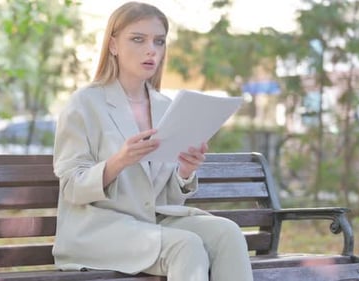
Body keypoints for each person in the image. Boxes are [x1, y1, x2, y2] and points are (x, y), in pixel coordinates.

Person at [51, 2, 254, 280]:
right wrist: (119, 161)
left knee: (227, 233)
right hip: (99, 230)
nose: (151, 50)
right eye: (138, 39)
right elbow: (72, 187)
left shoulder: (166, 106)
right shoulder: (84, 104)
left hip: (152, 222)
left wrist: (184, 170)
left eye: (159, 41)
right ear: (113, 45)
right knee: (186, 245)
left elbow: (160, 195)